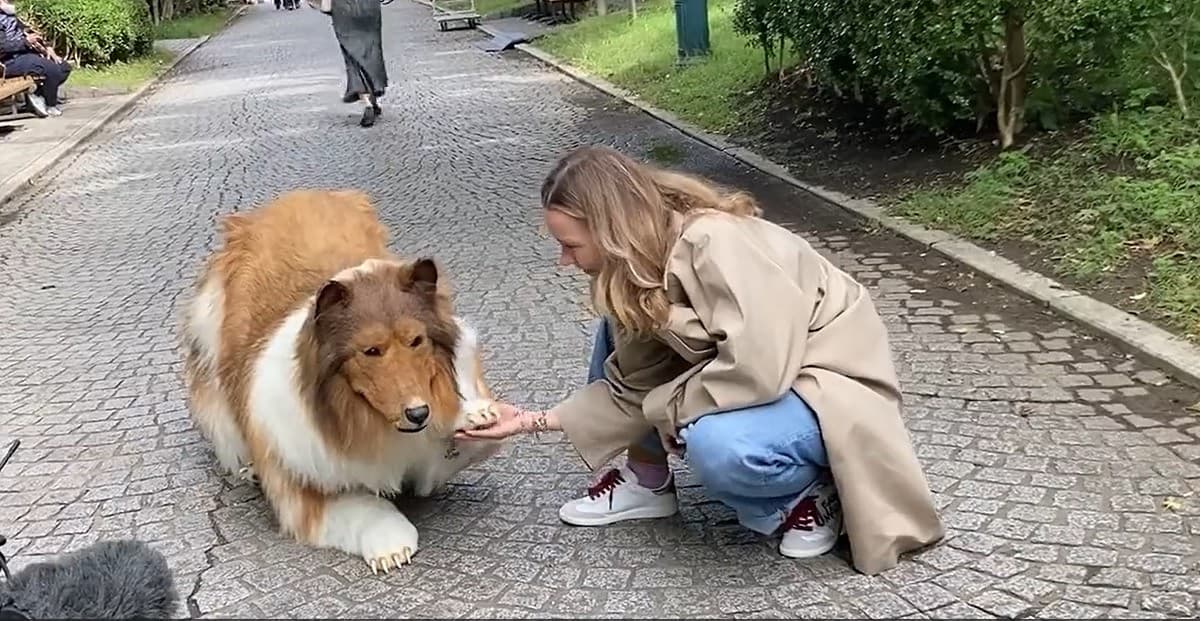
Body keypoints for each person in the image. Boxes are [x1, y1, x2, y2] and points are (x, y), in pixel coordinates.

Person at [457, 145, 945, 574]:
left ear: (610, 229)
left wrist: (672, 407)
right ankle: (647, 479)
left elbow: (760, 367)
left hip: (827, 382)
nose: (564, 260)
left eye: (570, 245)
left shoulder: (715, 241)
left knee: (719, 445)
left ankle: (812, 494)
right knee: (619, 324)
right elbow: (632, 385)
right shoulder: (634, 266)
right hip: (767, 376)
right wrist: (526, 421)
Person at [313, 0, 388, 127]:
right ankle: (374, 97)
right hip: (369, 8)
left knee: (353, 57)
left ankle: (368, 103)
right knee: (372, 52)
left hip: (343, 9)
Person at [0, 0, 70, 118]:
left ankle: (38, 94)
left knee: (63, 66)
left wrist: (47, 48)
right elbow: (2, 47)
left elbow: (30, 32)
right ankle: (50, 105)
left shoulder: (11, 16)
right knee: (50, 68)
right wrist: (25, 42)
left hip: (25, 54)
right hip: (8, 61)